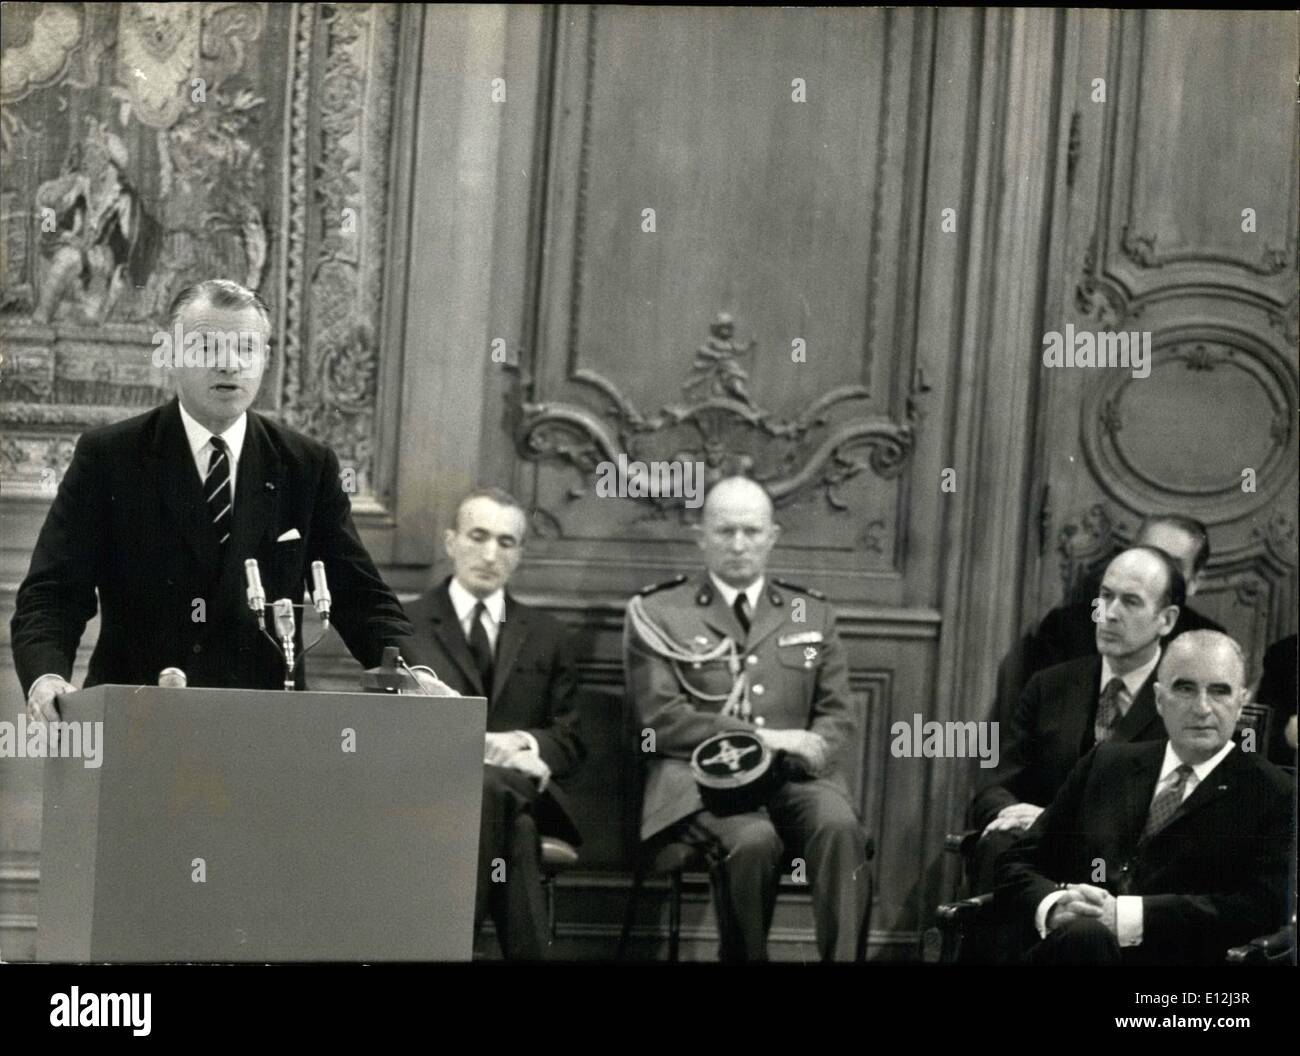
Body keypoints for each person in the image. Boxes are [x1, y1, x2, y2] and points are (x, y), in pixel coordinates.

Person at [13, 278, 454, 720]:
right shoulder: (110, 457)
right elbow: (54, 593)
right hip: (137, 721)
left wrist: (412, 671)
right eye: (206, 347)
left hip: (263, 731)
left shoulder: (306, 465)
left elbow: (358, 595)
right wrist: (45, 676)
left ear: (266, 359)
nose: (229, 364)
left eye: (246, 348)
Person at [623, 476, 869, 962]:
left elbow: (837, 713)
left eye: (752, 532)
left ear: (773, 536)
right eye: (725, 531)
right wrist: (763, 737)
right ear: (701, 537)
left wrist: (815, 747)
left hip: (794, 779)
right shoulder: (658, 612)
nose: (739, 544)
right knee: (753, 841)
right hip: (698, 783)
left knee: (841, 826)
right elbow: (657, 721)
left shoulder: (810, 613)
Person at [995, 631, 1294, 965]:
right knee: (1083, 937)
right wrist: (1054, 906)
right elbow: (1015, 862)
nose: (1203, 708)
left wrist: (1127, 916)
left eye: (1219, 691)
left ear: (1241, 703)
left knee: (1087, 936)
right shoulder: (1104, 765)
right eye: (1185, 688)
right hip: (1074, 948)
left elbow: (1261, 909)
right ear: (1158, 698)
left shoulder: (1275, 794)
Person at [403, 487, 585, 960]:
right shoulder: (405, 625)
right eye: (478, 536)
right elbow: (388, 730)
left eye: (506, 542)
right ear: (450, 541)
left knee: (496, 792)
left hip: (526, 786)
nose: (489, 554)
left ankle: (445, 951)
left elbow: (572, 739)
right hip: (432, 795)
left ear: (520, 553)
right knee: (516, 832)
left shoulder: (549, 635)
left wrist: (525, 744)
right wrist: (480, 747)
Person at [967, 546, 1184, 897]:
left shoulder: (1179, 702)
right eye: (1105, 596)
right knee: (998, 847)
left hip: (1127, 878)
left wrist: (1049, 822)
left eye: (1130, 602)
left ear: (1167, 619)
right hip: (1036, 869)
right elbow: (993, 787)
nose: (1109, 614)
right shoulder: (1049, 686)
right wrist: (1009, 813)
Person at [1024, 513, 1223, 684]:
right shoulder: (1066, 629)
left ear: (1195, 581)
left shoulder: (1211, 644)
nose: (1153, 570)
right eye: (1146, 554)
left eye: (1173, 564)